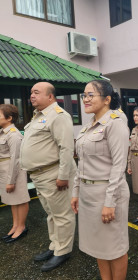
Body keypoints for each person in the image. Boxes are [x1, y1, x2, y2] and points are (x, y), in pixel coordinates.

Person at [71, 80, 130, 280]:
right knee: (98, 247)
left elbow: (118, 166)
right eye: (84, 95)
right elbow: (82, 164)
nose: (85, 99)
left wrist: (110, 202)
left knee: (114, 247)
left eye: (90, 95)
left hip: (107, 194)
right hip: (88, 195)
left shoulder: (115, 124)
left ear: (107, 99)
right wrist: (76, 191)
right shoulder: (88, 127)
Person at [20, 82, 76, 272]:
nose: (32, 96)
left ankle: (63, 251)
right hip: (40, 175)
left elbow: (66, 148)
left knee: (62, 215)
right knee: (51, 214)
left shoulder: (59, 116)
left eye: (36, 92)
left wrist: (63, 176)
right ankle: (55, 246)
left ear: (50, 96)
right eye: (31, 93)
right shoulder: (38, 117)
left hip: (53, 174)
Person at [0, 104, 30, 243]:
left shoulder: (14, 134)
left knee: (20, 199)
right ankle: (15, 225)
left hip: (14, 172)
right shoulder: (3, 132)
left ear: (9, 118)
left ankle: (21, 227)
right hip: (4, 171)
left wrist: (11, 180)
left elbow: (15, 159)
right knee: (13, 201)